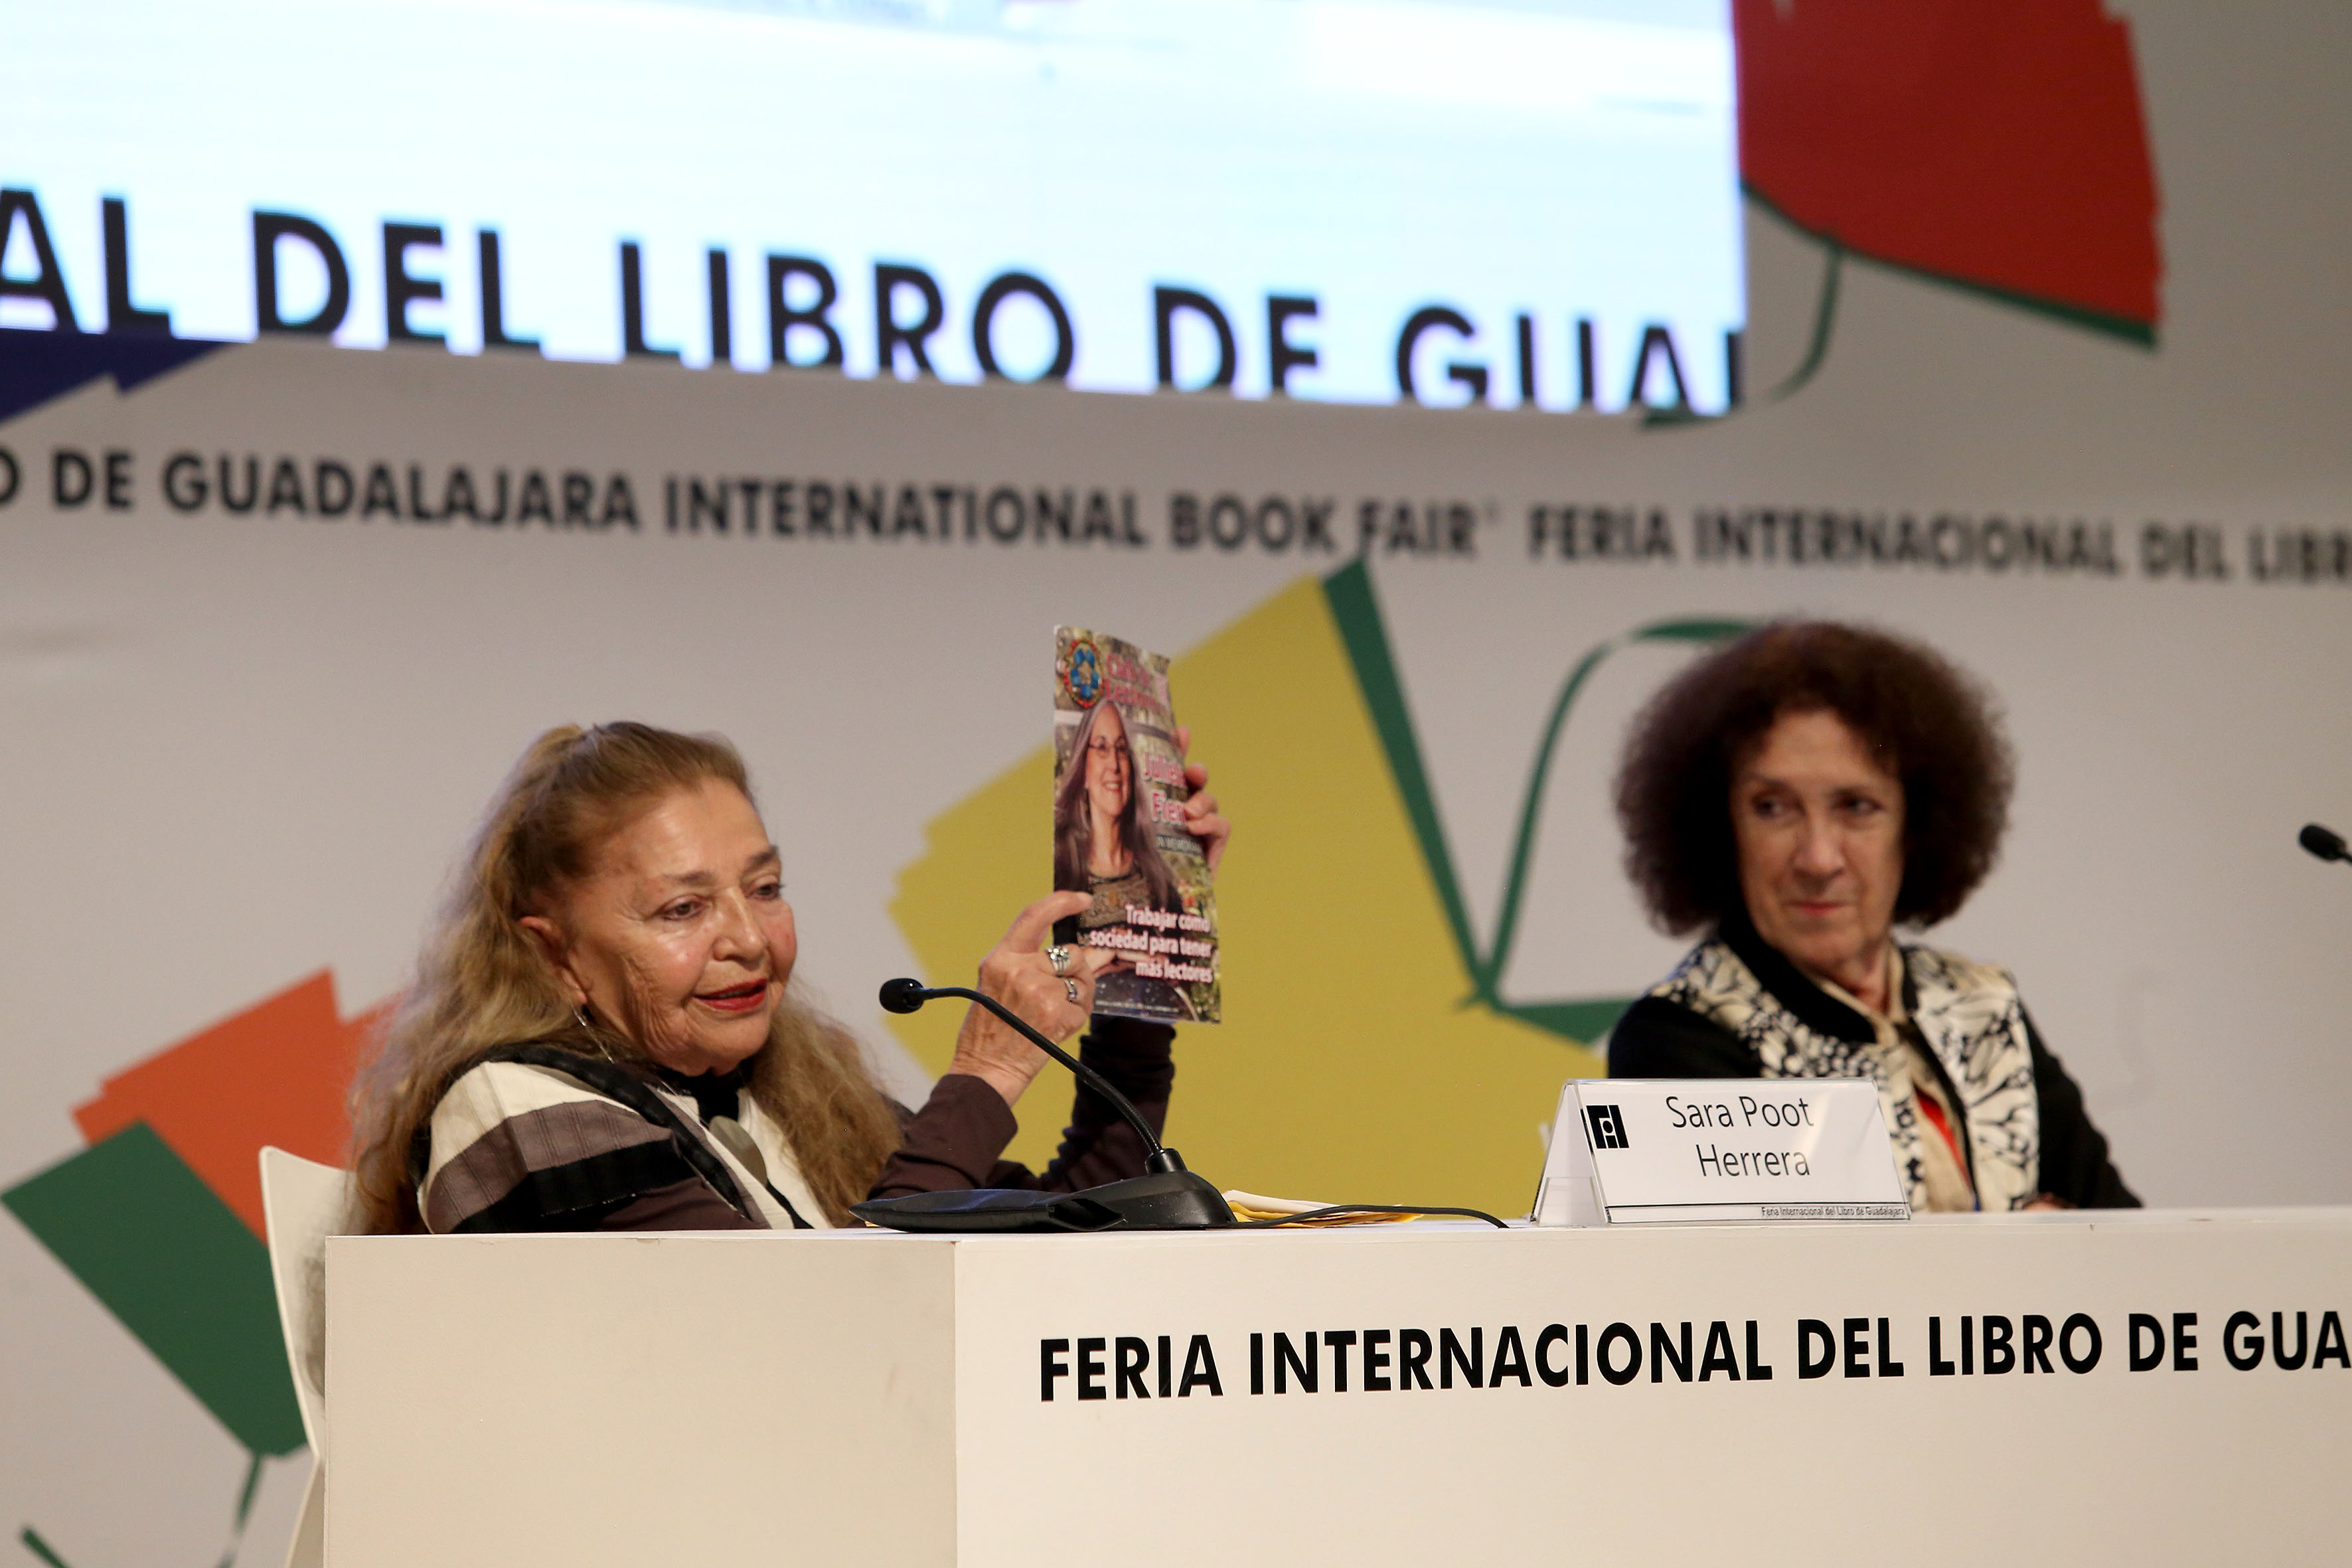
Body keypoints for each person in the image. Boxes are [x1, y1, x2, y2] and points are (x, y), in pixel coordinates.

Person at [347, 720, 1230, 1233]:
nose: (749, 940)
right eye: (682, 909)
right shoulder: (516, 1109)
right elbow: (822, 1335)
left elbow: (1073, 1221)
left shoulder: (782, 1089)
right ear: (553, 954)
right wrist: (988, 1072)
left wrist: (1137, 960)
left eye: (765, 889)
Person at [1606, 621, 2135, 1212]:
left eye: (1856, 807)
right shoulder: (1679, 1037)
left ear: (1916, 828)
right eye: (1772, 808)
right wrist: (2027, 1245)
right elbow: (1752, 1267)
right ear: (1720, 828)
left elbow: (2125, 1241)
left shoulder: (1981, 1007)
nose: (1818, 858)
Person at [1052, 698, 1192, 1018]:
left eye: (1122, 749)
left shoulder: (1157, 874)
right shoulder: (1062, 868)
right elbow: (1050, 967)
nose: (1114, 764)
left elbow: (1181, 972)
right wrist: (1109, 948)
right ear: (1082, 769)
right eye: (1101, 748)